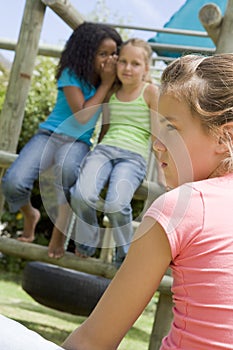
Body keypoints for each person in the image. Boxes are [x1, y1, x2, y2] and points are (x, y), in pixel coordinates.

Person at [60, 53, 233, 350]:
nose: (156, 143)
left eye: (171, 128)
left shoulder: (182, 207)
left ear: (224, 138)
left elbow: (92, 342)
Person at [1, 22, 122, 258]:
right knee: (13, 182)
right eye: (103, 54)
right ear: (87, 53)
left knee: (68, 173)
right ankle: (30, 215)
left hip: (78, 144)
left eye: (114, 53)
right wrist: (105, 84)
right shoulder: (72, 74)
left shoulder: (112, 86)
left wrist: (101, 150)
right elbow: (82, 115)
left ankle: (59, 233)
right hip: (49, 136)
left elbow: (105, 122)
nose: (110, 59)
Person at [70, 38, 159, 266]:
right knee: (80, 194)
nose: (128, 68)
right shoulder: (111, 93)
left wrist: (164, 173)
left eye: (136, 64)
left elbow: (160, 135)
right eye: (123, 62)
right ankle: (87, 243)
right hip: (103, 151)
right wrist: (94, 158)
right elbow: (104, 130)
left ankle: (125, 256)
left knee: (116, 204)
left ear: (146, 68)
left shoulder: (150, 92)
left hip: (133, 158)